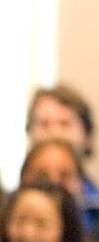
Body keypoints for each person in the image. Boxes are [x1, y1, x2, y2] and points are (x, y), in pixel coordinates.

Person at [26, 85, 98, 230]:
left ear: (86, 136)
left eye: (64, 124)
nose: (54, 133)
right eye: (44, 124)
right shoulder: (6, 209)